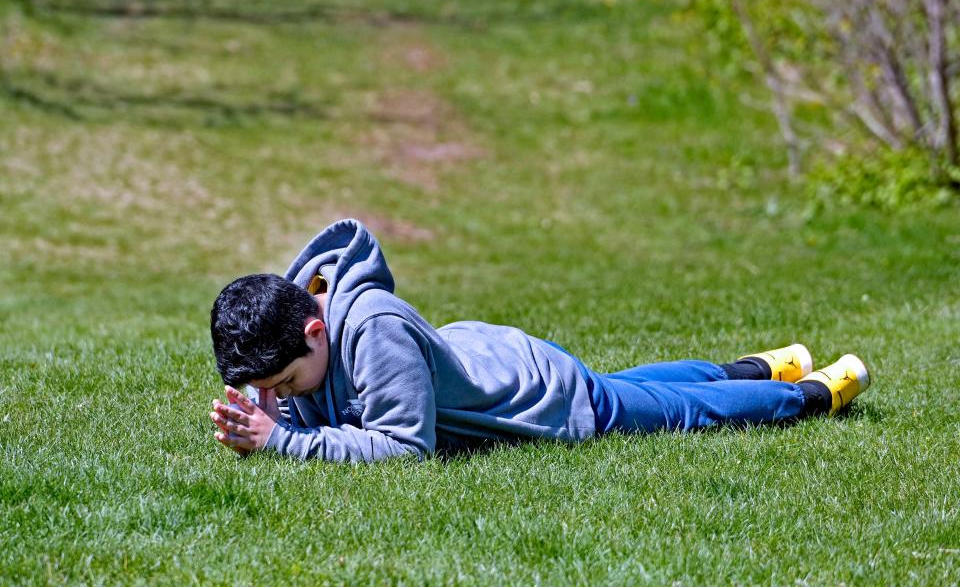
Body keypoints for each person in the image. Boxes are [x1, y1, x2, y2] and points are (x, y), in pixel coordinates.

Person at [208, 219, 871, 462]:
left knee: (676, 415)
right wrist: (269, 415)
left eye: (288, 385)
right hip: (495, 357)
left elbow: (404, 446)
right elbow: (310, 400)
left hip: (539, 394)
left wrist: (287, 442)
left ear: (314, 327)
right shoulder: (296, 334)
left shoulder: (372, 329)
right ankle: (756, 367)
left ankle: (813, 394)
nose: (284, 398)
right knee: (631, 387)